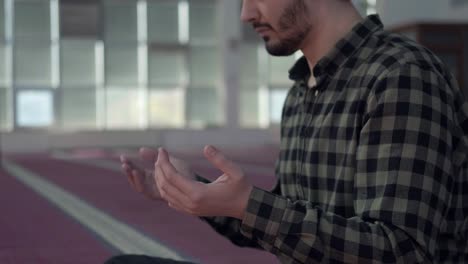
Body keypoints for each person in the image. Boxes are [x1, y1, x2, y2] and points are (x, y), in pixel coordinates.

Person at [106, 0, 468, 263]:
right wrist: (201, 195)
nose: (246, 14)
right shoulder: (300, 92)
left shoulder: (400, 75)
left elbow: (399, 251)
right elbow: (289, 219)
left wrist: (248, 206)